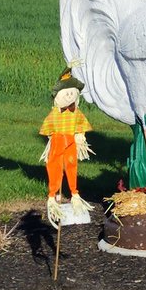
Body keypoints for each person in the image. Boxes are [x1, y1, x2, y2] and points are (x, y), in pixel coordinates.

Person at [40, 67, 93, 226]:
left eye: (72, 93)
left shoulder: (76, 113)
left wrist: (79, 136)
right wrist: (52, 137)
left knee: (71, 165)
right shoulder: (55, 113)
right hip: (57, 142)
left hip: (70, 142)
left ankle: (74, 193)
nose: (70, 96)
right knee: (54, 165)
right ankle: (53, 195)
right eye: (66, 93)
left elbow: (80, 126)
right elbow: (48, 128)